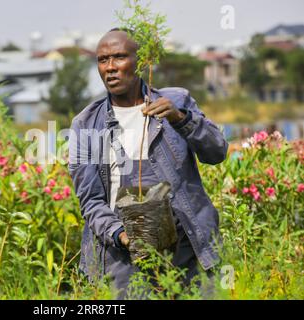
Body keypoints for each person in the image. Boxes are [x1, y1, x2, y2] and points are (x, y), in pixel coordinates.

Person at [68, 29, 228, 299]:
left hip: (190, 250)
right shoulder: (85, 125)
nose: (110, 68)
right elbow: (91, 201)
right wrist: (123, 236)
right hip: (126, 260)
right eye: (102, 60)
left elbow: (216, 152)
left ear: (140, 62)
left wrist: (181, 119)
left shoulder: (176, 102)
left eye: (119, 57)